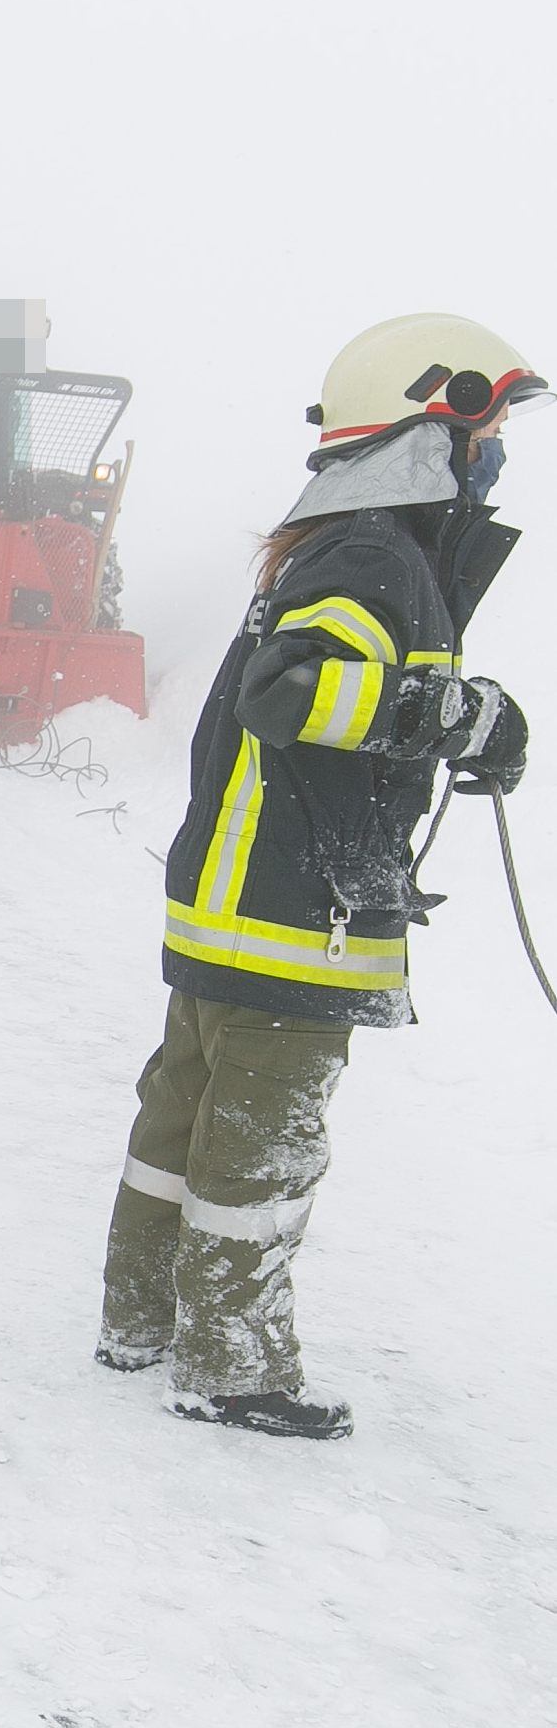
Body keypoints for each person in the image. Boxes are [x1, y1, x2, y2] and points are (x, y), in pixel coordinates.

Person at [96, 315, 536, 1438]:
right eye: (484, 428)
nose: (496, 454)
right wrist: (456, 716)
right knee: (261, 1149)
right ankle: (231, 1368)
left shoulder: (341, 544)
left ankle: (139, 1324)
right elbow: (291, 693)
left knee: (182, 1125)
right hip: (291, 917)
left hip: (231, 906)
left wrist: (444, 724)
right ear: (431, 427)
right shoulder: (379, 557)